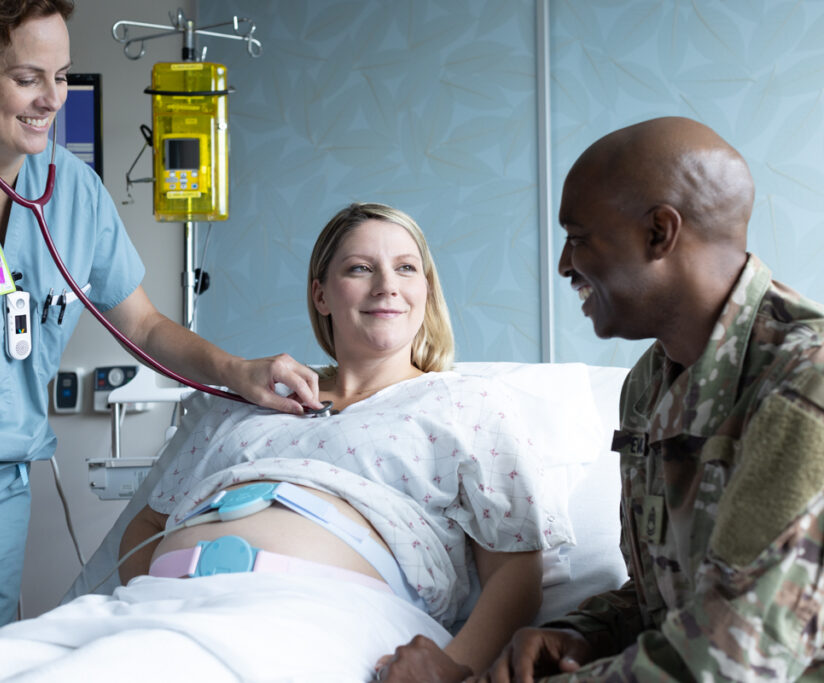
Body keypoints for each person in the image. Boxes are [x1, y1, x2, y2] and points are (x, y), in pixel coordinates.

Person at [0, 0, 320, 658]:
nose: (53, 99)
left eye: (63, 76)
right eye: (27, 78)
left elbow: (146, 323)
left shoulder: (71, 189)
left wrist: (237, 370)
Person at [378, 116, 824, 682]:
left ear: (660, 233)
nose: (566, 264)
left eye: (579, 237)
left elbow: (728, 663)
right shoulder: (647, 387)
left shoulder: (804, 385)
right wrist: (581, 632)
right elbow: (659, 596)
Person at [117, 202, 573, 678]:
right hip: (161, 612)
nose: (387, 286)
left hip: (328, 622)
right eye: (360, 268)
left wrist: (453, 669)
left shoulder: (466, 403)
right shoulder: (251, 397)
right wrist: (154, 600)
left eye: (405, 268)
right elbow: (148, 524)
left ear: (426, 290)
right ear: (321, 295)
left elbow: (515, 571)